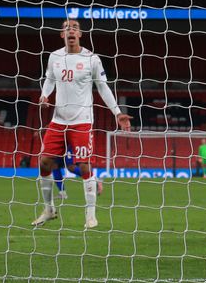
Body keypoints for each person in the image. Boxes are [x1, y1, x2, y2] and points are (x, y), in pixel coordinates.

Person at [32, 19, 132, 229]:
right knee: (44, 163)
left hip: (82, 122)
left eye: (75, 28)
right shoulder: (54, 57)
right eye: (67, 28)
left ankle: (90, 216)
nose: (71, 31)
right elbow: (50, 79)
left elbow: (103, 87)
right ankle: (49, 209)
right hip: (58, 121)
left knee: (84, 165)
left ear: (80, 34)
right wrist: (44, 95)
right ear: (62, 35)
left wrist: (117, 113)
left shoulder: (91, 59)